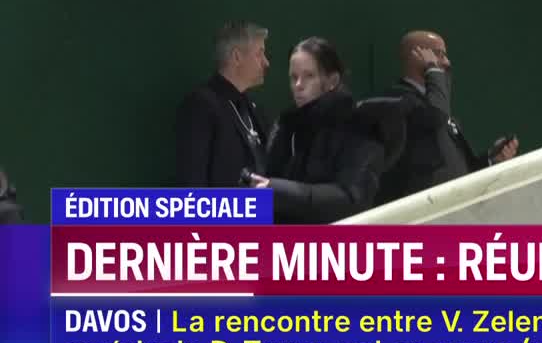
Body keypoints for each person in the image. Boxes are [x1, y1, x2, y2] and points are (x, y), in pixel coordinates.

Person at [247, 38, 404, 223]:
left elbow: (352, 200)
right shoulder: (286, 127)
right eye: (293, 77)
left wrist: (277, 190)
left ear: (332, 81)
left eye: (309, 76)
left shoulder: (360, 127)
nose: (298, 85)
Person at [375, 30, 519, 206]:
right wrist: (433, 69)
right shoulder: (397, 99)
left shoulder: (437, 106)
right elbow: (435, 116)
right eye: (439, 54)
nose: (447, 62)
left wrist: (491, 160)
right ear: (416, 55)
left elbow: (463, 171)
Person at [175, 21, 271, 187]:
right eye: (259, 53)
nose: (266, 62)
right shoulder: (201, 106)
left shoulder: (253, 107)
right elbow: (192, 182)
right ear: (236, 57)